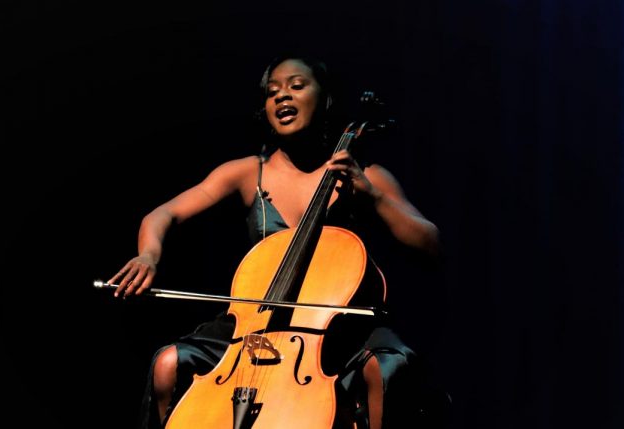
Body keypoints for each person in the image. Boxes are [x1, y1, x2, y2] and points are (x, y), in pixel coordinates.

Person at [108, 55, 441, 429]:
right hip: (256, 321)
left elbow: (430, 243)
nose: (282, 97)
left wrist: (372, 196)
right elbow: (163, 214)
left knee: (389, 366)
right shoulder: (249, 172)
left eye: (296, 86)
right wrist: (148, 256)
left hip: (338, 326)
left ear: (325, 99)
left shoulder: (365, 175)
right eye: (272, 92)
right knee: (169, 362)